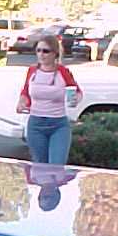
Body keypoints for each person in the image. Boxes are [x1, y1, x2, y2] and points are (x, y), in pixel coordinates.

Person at [16, 34, 82, 164]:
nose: (41, 54)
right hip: (36, 124)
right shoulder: (32, 71)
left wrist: (75, 99)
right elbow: (25, 93)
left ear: (55, 53)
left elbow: (77, 92)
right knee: (40, 165)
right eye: (38, 50)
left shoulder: (63, 71)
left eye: (45, 51)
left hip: (58, 124)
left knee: (56, 165)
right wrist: (21, 103)